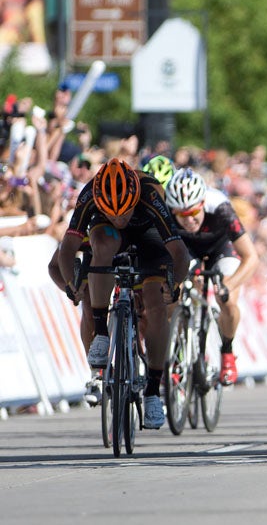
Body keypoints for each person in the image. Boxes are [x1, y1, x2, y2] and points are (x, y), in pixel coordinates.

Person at [56, 158, 191, 429]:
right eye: (113, 213)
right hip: (105, 233)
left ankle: (153, 390)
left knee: (155, 302)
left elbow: (180, 255)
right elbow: (67, 250)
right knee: (101, 245)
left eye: (124, 212)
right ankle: (102, 334)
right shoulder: (88, 195)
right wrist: (72, 283)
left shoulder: (151, 194)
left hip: (148, 235)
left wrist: (173, 285)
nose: (119, 218)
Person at [165, 167, 260, 386]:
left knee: (226, 299)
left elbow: (251, 257)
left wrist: (228, 285)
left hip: (221, 247)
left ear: (202, 204)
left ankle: (227, 350)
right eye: (181, 214)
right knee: (171, 295)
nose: (188, 219)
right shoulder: (167, 214)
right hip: (186, 249)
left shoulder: (220, 208)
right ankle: (178, 352)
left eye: (192, 212)